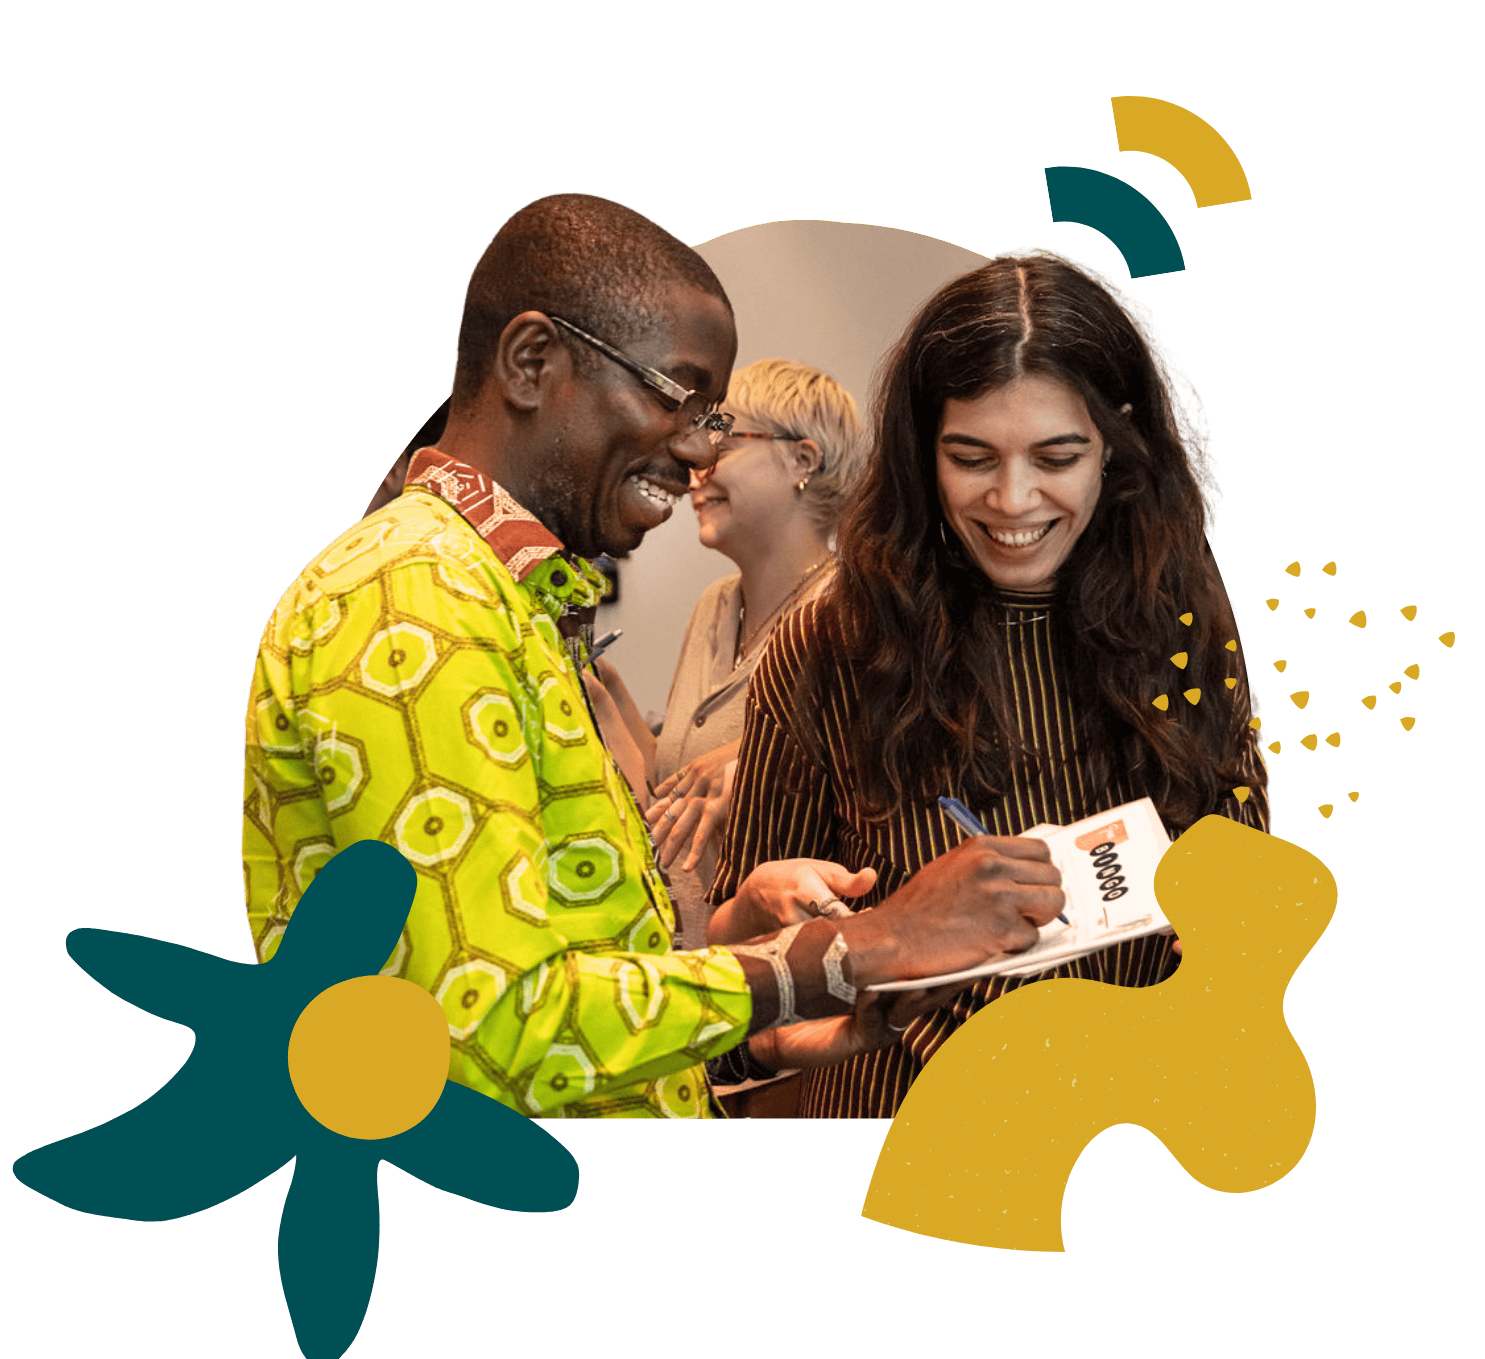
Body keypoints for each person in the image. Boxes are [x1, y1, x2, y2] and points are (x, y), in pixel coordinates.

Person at [240, 195, 1069, 1120]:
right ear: (531, 362)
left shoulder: (505, 599)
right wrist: (864, 947)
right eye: (679, 397)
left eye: (715, 422)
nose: (692, 453)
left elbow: (559, 961)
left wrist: (742, 961)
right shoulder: (414, 601)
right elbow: (492, 1030)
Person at [710, 248, 1272, 1118]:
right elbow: (736, 941)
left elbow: (1250, 908)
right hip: (893, 1129)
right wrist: (785, 909)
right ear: (920, 453)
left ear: (1115, 451)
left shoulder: (1186, 627)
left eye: (1056, 457)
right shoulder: (831, 641)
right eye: (971, 458)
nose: (1012, 502)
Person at [644, 359, 864, 951]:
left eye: (721, 443)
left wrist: (759, 755)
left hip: (783, 988)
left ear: (803, 460)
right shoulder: (713, 607)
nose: (695, 471)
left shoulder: (856, 619)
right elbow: (676, 792)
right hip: (687, 971)